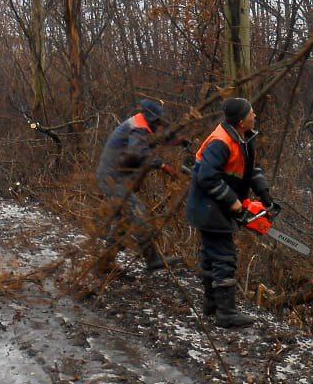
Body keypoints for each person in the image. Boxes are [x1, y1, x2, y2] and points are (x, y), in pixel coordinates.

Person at [186, 97, 274, 328]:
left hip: (215, 204)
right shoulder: (221, 142)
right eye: (251, 112)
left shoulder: (243, 138)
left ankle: (211, 304)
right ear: (241, 120)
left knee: (210, 254)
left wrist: (264, 194)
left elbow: (249, 169)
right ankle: (226, 313)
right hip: (208, 205)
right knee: (224, 257)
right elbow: (207, 177)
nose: (255, 115)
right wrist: (235, 204)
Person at [96, 99, 182, 271]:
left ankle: (105, 263)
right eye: (158, 122)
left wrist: (176, 140)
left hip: (111, 177)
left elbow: (150, 141)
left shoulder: (137, 124)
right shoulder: (138, 128)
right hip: (113, 179)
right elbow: (138, 152)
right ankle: (152, 259)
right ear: (152, 119)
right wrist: (163, 166)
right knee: (138, 212)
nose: (159, 125)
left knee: (126, 219)